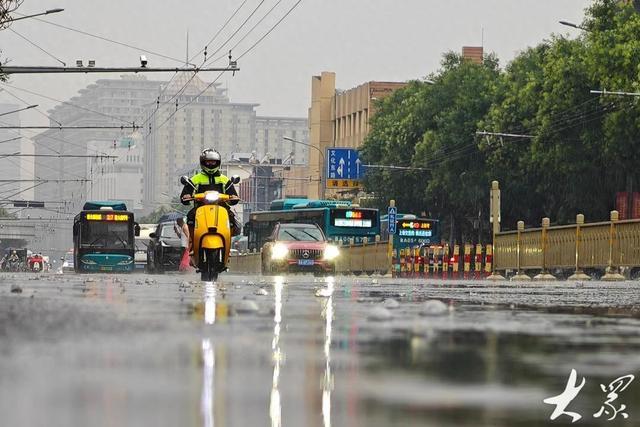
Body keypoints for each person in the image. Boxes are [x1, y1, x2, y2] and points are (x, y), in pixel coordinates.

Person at [180, 148, 240, 256]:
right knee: (190, 219)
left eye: (213, 162)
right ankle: (193, 244)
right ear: (203, 163)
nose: (211, 164)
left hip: (222, 207)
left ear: (218, 163)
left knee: (233, 221)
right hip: (200, 208)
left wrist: (233, 198)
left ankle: (227, 245)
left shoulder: (224, 179)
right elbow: (184, 196)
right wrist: (186, 196)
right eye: (208, 162)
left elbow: (233, 196)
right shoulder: (195, 179)